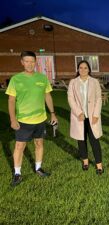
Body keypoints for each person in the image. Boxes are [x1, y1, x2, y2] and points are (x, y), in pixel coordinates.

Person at [6, 51, 58, 186]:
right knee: (19, 146)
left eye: (32, 61)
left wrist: (52, 113)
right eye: (26, 61)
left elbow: (47, 96)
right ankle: (17, 174)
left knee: (39, 144)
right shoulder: (15, 79)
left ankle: (38, 168)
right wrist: (13, 119)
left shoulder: (42, 78)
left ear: (36, 62)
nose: (30, 64)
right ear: (22, 62)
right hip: (23, 120)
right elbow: (11, 101)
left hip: (40, 119)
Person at [67, 60, 104, 175]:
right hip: (79, 117)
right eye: (81, 68)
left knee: (94, 141)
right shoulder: (73, 82)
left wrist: (96, 114)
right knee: (81, 141)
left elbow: (98, 98)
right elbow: (70, 99)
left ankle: (99, 165)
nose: (83, 70)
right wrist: (78, 113)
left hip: (92, 117)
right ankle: (85, 161)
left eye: (85, 68)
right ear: (78, 69)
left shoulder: (94, 82)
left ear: (89, 69)